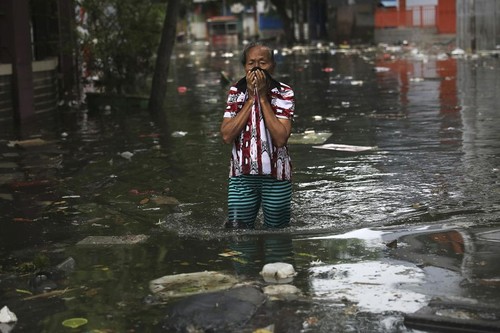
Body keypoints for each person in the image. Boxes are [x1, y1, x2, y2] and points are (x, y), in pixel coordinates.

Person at [220, 41, 295, 229]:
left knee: (277, 236)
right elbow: (227, 136)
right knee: (238, 234)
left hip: (277, 177)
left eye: (262, 63)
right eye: (250, 63)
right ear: (244, 67)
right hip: (241, 177)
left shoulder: (284, 93)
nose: (255, 68)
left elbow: (280, 138)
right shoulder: (236, 92)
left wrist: (262, 97)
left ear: (273, 66)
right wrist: (251, 98)